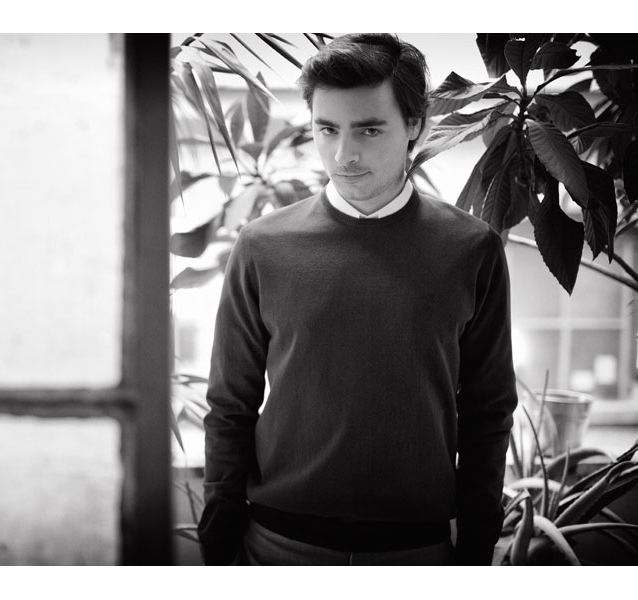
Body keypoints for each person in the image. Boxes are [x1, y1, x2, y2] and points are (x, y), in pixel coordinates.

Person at [197, 33, 518, 566]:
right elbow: (230, 405)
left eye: (369, 129)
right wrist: (218, 543)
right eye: (327, 129)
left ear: (415, 126)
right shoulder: (261, 246)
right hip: (275, 546)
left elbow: (489, 410)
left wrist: (477, 547)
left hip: (417, 554)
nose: (344, 154)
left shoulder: (472, 250)